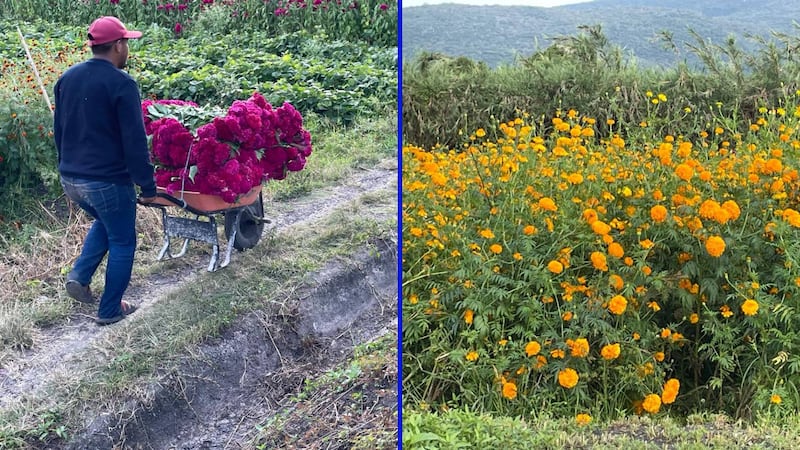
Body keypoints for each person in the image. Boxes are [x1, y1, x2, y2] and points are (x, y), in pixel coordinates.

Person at [53, 16, 155, 325]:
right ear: (118, 46)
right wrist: (147, 186)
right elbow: (135, 142)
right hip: (107, 181)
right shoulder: (122, 84)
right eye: (127, 44)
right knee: (123, 240)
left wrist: (68, 168)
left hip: (71, 178)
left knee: (106, 220)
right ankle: (110, 310)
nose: (128, 50)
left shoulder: (67, 78)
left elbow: (59, 131)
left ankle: (80, 276)